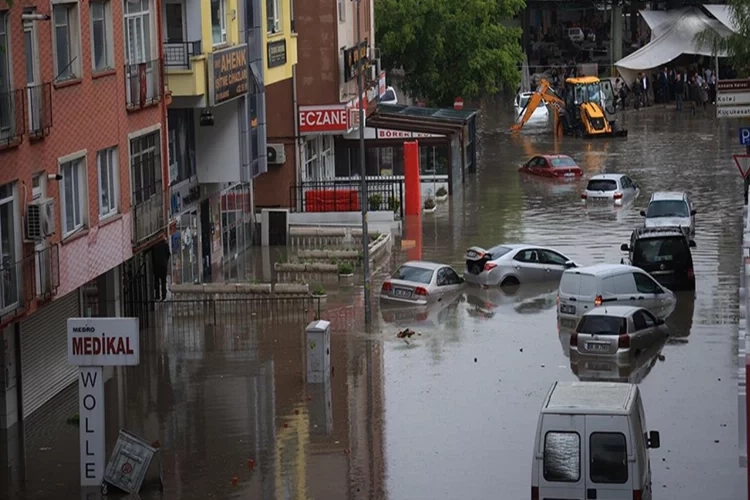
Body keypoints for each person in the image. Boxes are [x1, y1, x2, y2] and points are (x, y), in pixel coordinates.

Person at [151, 235, 171, 301]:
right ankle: (163, 296)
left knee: (156, 281)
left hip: (156, 265)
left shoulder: (154, 245)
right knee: (163, 281)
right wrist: (165, 261)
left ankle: (157, 296)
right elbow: (168, 254)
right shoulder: (165, 245)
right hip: (163, 266)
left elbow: (152, 255)